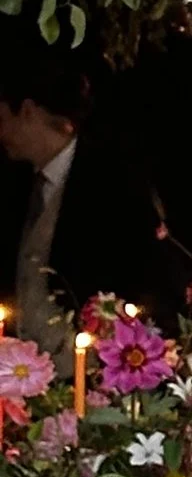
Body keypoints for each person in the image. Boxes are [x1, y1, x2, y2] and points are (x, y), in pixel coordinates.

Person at [0, 48, 177, 358]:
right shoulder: (18, 183)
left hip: (90, 372)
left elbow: (146, 280)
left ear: (27, 111)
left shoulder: (112, 181)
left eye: (2, 118)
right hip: (26, 370)